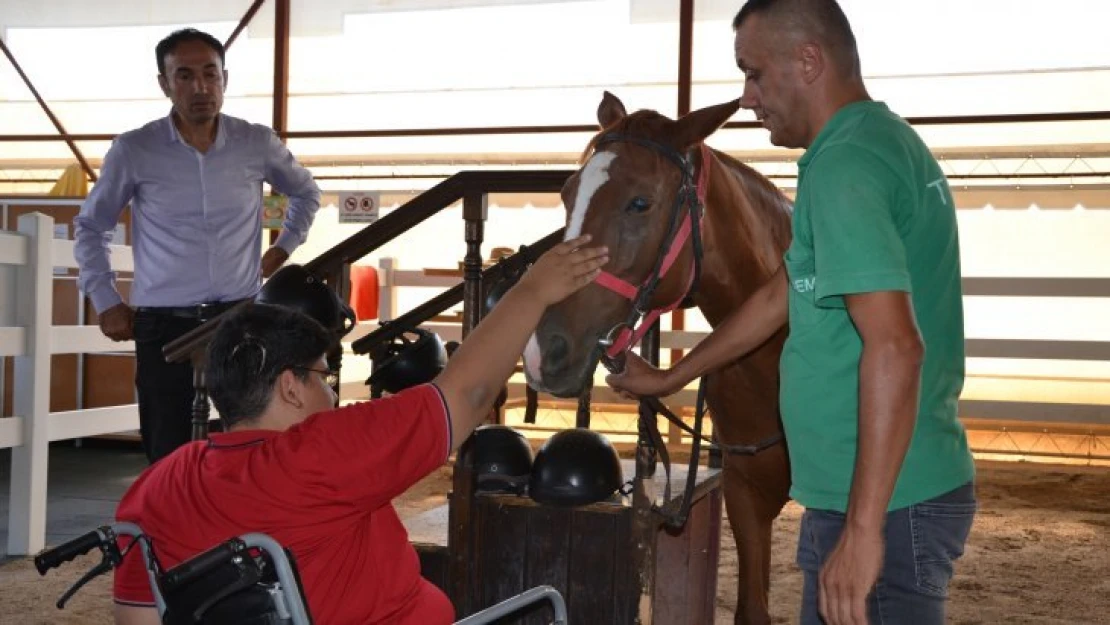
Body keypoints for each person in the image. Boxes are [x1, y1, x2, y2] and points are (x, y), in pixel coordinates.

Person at [606, 1, 976, 624]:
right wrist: (674, 376)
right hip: (884, 494)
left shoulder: (843, 167)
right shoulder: (878, 141)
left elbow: (896, 346)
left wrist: (861, 533)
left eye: (753, 72)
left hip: (883, 507)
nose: (747, 99)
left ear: (808, 60)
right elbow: (784, 290)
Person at [110, 235, 609, 625]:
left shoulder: (155, 485)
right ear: (290, 387)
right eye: (324, 377)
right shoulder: (322, 453)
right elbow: (469, 394)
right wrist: (534, 291)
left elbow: (138, 614)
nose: (332, 395)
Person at [73, 28, 321, 464]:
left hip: (240, 320)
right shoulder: (135, 149)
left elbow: (305, 193)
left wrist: (284, 248)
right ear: (164, 84)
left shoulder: (256, 142)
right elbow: (91, 226)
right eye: (184, 76)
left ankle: (248, 532)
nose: (200, 87)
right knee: (168, 453)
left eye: (210, 73)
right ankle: (170, 533)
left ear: (225, 78)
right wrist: (105, 298)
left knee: (250, 449)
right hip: (164, 327)